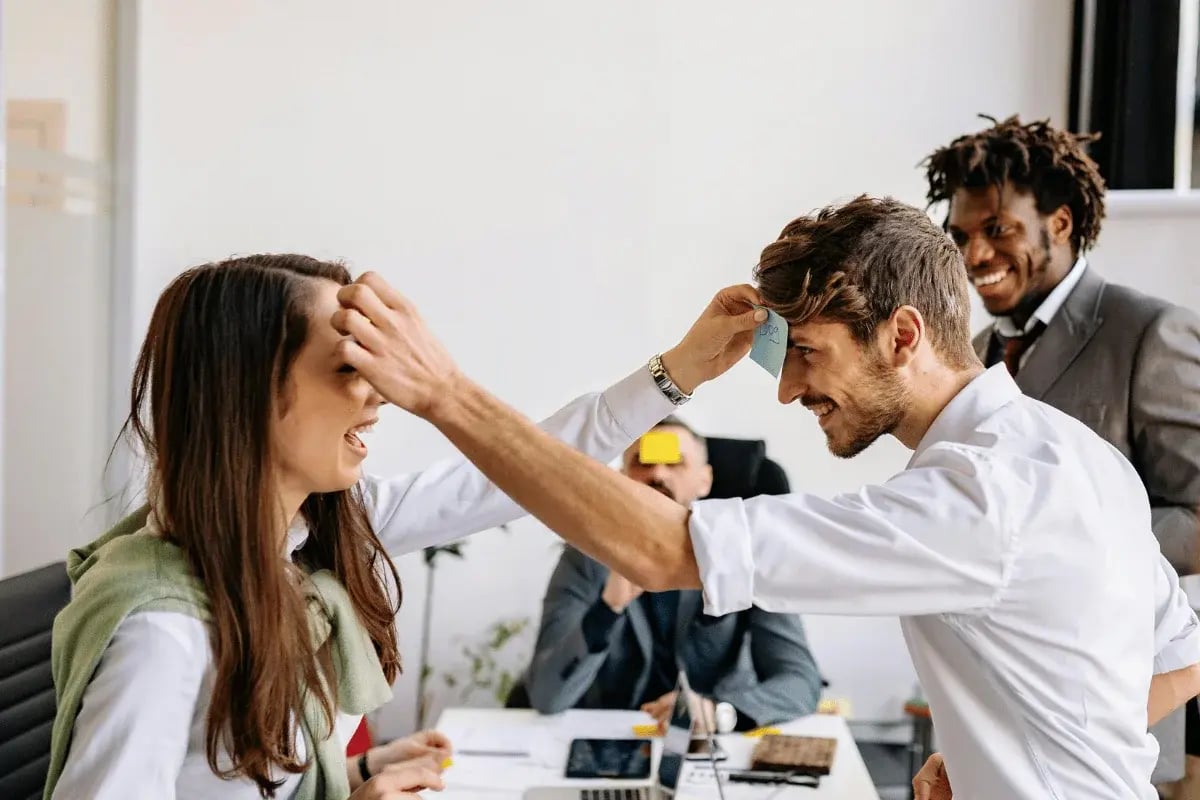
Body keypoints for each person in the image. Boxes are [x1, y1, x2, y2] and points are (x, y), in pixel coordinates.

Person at [338, 197, 1200, 800]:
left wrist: (446, 392)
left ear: (902, 335)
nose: (787, 392)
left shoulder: (979, 497)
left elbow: (662, 548)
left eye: (808, 354)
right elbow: (1178, 657)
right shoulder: (1074, 455)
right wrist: (1003, 763)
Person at [45, 254, 695, 799]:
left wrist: (681, 370)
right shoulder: (165, 631)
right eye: (349, 369)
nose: (381, 394)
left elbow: (515, 471)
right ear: (247, 392)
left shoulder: (308, 539)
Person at [924, 114, 1200, 788]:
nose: (975, 255)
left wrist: (1064, 539)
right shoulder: (978, 354)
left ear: (1062, 223)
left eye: (998, 229)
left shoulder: (1149, 333)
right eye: (961, 236)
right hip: (998, 730)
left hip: (1129, 724)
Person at [522, 417, 821, 729]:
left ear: (705, 481)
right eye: (643, 462)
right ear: (622, 479)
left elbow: (800, 682)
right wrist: (608, 608)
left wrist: (720, 712)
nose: (657, 474)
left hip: (711, 739)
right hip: (615, 735)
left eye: (674, 462)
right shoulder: (586, 557)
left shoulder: (746, 556)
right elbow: (546, 696)